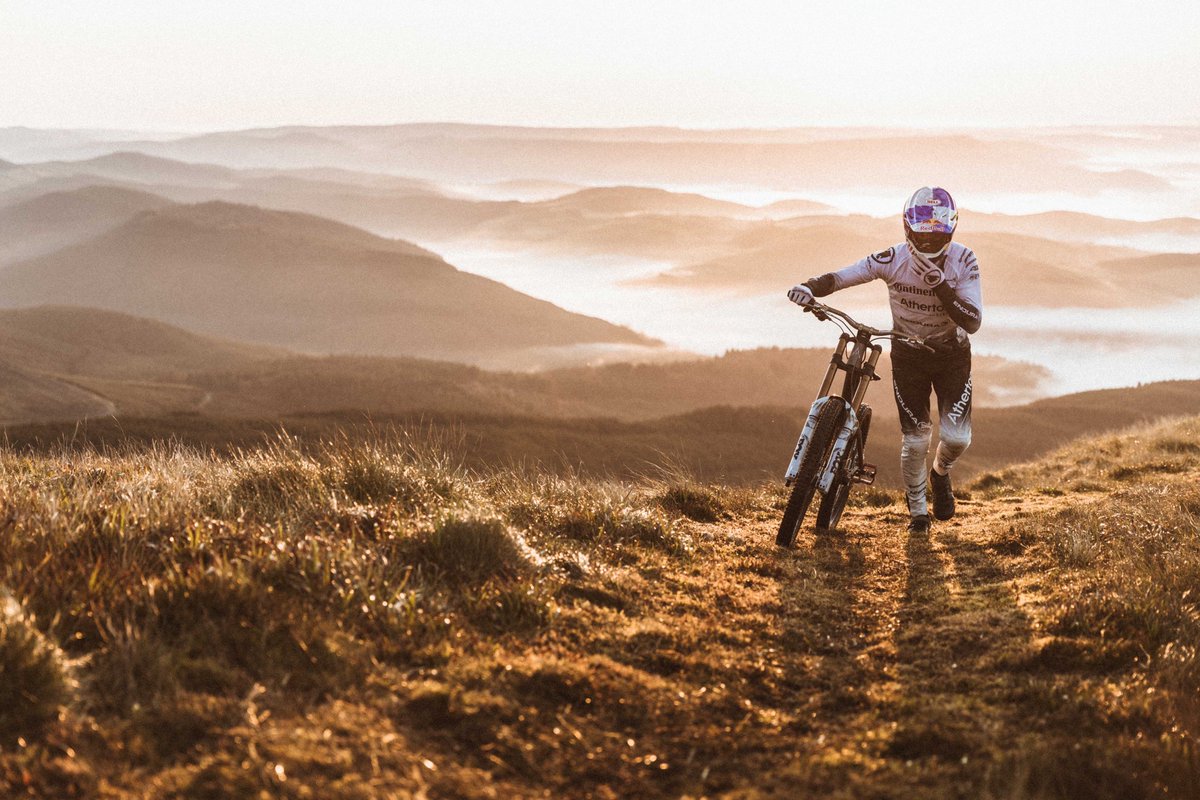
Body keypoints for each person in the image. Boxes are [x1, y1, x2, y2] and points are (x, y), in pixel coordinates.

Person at [786, 187, 982, 534]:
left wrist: (941, 288)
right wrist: (810, 287)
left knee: (956, 439)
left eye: (936, 231)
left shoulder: (964, 260)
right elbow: (846, 274)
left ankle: (940, 473)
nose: (929, 238)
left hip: (951, 356)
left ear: (950, 228)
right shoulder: (893, 258)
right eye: (923, 230)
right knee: (916, 438)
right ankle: (918, 515)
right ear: (908, 227)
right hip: (908, 357)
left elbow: (972, 320)